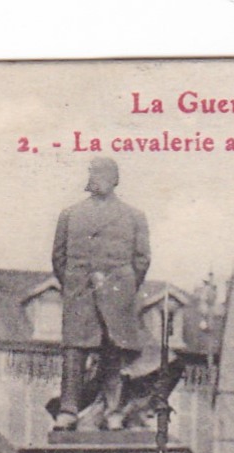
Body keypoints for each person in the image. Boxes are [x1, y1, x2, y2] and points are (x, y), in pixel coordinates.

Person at [51, 156, 151, 431]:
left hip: (117, 293)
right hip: (80, 292)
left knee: (113, 351)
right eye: (93, 173)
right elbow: (58, 259)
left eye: (103, 173)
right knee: (74, 351)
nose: (97, 178)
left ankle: (113, 410)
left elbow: (142, 260)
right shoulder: (70, 215)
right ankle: (68, 409)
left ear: (115, 179)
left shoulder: (134, 216)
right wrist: (75, 285)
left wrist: (123, 288)